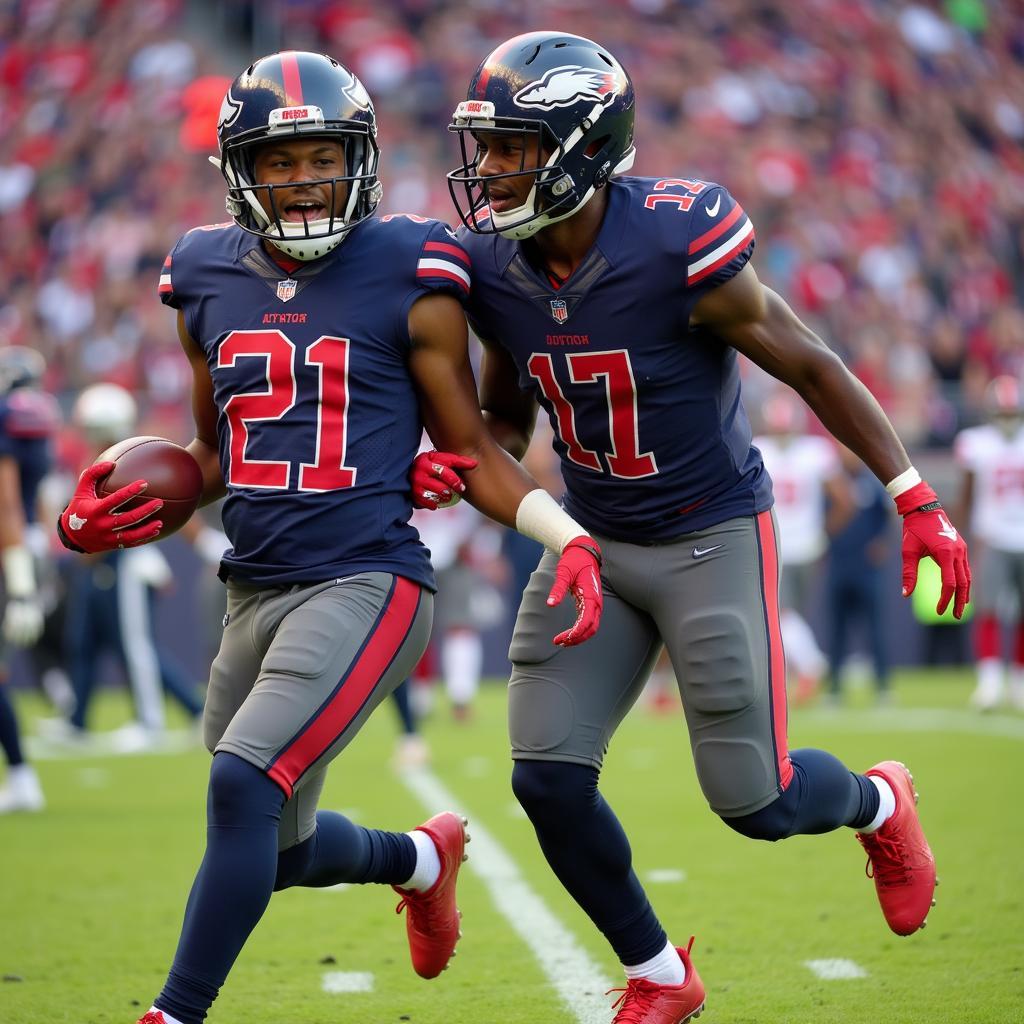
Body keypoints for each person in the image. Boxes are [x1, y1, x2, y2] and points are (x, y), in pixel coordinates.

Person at [411, 31, 970, 1024]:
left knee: (756, 802)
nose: (488, 170)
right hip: (591, 540)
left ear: (581, 145)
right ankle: (662, 974)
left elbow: (805, 360)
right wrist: (457, 455)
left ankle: (880, 802)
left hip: (710, 533)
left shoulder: (677, 240)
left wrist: (912, 495)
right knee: (545, 777)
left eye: (511, 146)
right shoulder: (494, 270)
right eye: (485, 146)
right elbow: (507, 413)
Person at [54, 52, 604, 1024]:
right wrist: (101, 514)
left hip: (366, 583)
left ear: (359, 156)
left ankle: (173, 1013)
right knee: (271, 848)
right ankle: (419, 857)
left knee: (239, 780)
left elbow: (471, 444)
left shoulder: (413, 267)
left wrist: (564, 534)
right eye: (279, 161)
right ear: (239, 172)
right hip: (249, 586)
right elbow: (212, 456)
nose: (303, 178)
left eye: (320, 155)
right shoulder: (202, 271)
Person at [41, 383, 205, 750]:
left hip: (125, 561)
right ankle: (76, 720)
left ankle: (165, 717)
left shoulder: (131, 463)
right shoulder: (94, 462)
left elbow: (167, 507)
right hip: (95, 565)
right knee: (82, 643)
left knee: (136, 647)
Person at [754, 391, 852, 703]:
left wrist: (823, 532)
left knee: (777, 612)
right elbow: (845, 502)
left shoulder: (804, 452)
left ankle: (811, 665)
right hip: (793, 545)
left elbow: (844, 501)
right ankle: (801, 669)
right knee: (782, 612)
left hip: (787, 546)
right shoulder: (780, 449)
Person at [0, 346, 59, 813]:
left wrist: (20, 584)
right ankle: (20, 776)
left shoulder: (9, 418)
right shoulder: (37, 418)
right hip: (26, 551)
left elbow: (6, 505)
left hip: (10, 556)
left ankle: (21, 777)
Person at [954, 374, 1024, 711]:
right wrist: (962, 533)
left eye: (1013, 413)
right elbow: (966, 494)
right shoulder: (977, 443)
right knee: (989, 609)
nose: (1008, 420)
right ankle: (991, 681)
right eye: (1003, 413)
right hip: (992, 534)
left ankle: (1019, 680)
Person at [823, 446, 894, 705]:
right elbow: (823, 519)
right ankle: (834, 688)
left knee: (874, 629)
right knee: (837, 630)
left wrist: (881, 543)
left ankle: (883, 686)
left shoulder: (873, 482)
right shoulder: (832, 483)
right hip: (840, 564)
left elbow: (887, 517)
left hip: (866, 567)